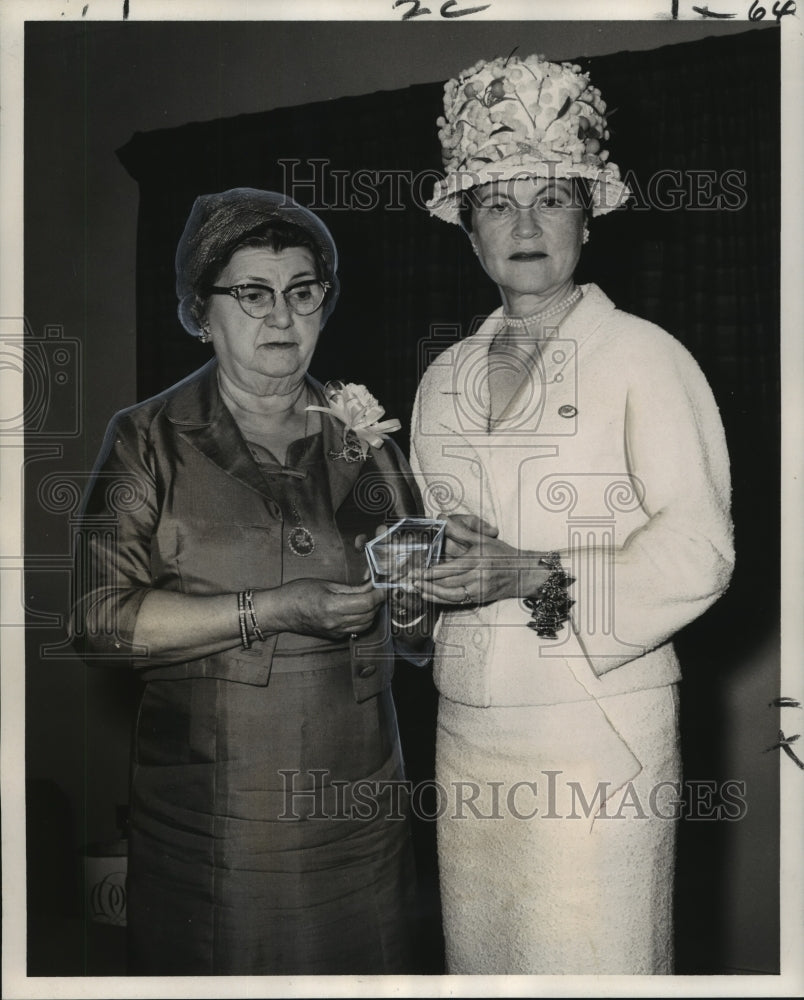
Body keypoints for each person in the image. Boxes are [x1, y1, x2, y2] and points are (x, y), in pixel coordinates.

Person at [409, 54, 735, 974]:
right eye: (497, 203)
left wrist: (532, 569)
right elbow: (440, 549)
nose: (523, 224)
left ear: (587, 221)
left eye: (551, 198)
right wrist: (402, 584)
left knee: (596, 963)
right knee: (485, 965)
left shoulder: (644, 356)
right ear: (467, 229)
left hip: (598, 729)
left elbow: (700, 553)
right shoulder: (442, 379)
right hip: (469, 725)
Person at [71, 188, 431, 976]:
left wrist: (430, 587)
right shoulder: (148, 440)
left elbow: (416, 626)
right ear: (201, 312)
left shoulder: (366, 430)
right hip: (221, 815)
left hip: (364, 807)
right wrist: (271, 608)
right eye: (253, 295)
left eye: (303, 293)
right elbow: (98, 620)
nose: (282, 319)